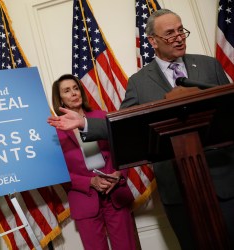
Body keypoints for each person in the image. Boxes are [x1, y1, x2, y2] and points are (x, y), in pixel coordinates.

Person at [48, 9, 234, 250]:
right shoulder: (139, 82)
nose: (178, 37)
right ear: (152, 41)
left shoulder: (209, 66)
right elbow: (124, 124)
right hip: (177, 186)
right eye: (169, 34)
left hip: (224, 178)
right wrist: (84, 123)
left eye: (181, 31)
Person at [51, 74, 137, 250]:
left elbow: (123, 149)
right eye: (67, 91)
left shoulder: (102, 117)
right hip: (84, 200)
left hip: (116, 195)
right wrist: (90, 181)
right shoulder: (55, 131)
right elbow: (57, 172)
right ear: (60, 99)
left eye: (76, 88)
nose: (74, 93)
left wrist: (118, 174)